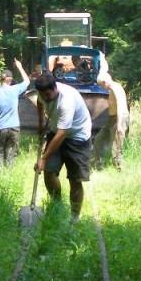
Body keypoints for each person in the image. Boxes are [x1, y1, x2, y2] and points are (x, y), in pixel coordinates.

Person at [33, 71, 92, 221]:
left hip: (77, 137)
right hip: (56, 131)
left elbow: (62, 133)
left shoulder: (67, 100)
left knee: (75, 179)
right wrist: (41, 123)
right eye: (43, 95)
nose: (45, 98)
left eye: (47, 95)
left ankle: (74, 218)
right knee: (49, 172)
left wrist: (43, 158)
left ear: (54, 88)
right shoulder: (42, 93)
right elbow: (39, 101)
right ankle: (57, 207)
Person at [0, 59, 30, 171]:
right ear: (10, 80)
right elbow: (27, 81)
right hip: (14, 128)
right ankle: (9, 176)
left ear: (1, 79)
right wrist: (19, 66)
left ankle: (0, 177)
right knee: (11, 155)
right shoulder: (15, 90)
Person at [91, 73, 130, 171]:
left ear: (105, 82)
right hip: (111, 118)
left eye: (101, 85)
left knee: (116, 146)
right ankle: (99, 165)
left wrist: (119, 125)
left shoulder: (115, 88)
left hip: (119, 118)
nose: (102, 88)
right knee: (99, 140)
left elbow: (120, 106)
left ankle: (119, 169)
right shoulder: (113, 87)